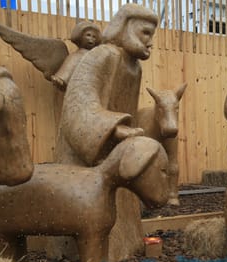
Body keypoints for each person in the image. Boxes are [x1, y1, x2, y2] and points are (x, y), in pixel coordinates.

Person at [56, 3, 158, 166]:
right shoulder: (104, 54)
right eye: (145, 33)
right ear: (126, 28)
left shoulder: (135, 67)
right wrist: (112, 128)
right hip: (83, 162)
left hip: (113, 156)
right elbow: (79, 101)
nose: (150, 42)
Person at [50, 21, 102, 91]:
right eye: (88, 35)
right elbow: (68, 68)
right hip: (80, 88)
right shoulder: (76, 56)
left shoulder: (98, 56)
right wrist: (60, 79)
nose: (91, 38)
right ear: (80, 37)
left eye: (94, 37)